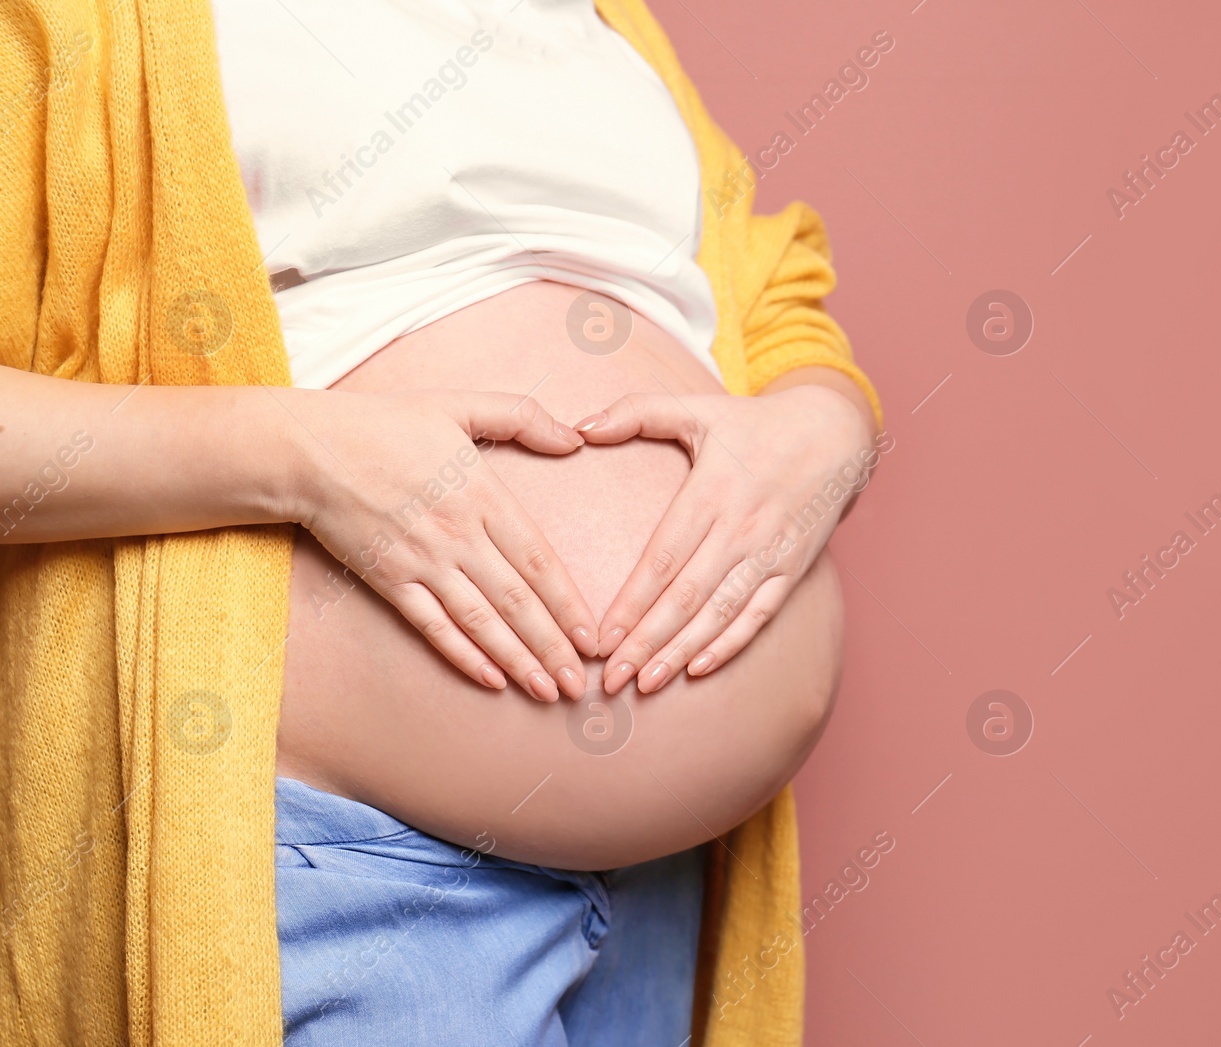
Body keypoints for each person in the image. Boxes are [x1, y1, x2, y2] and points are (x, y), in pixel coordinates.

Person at [0, 0, 883, 1043]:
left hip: (665, 892)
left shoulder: (601, 20)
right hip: (343, 865)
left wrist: (825, 426)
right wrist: (304, 459)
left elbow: (762, 288)